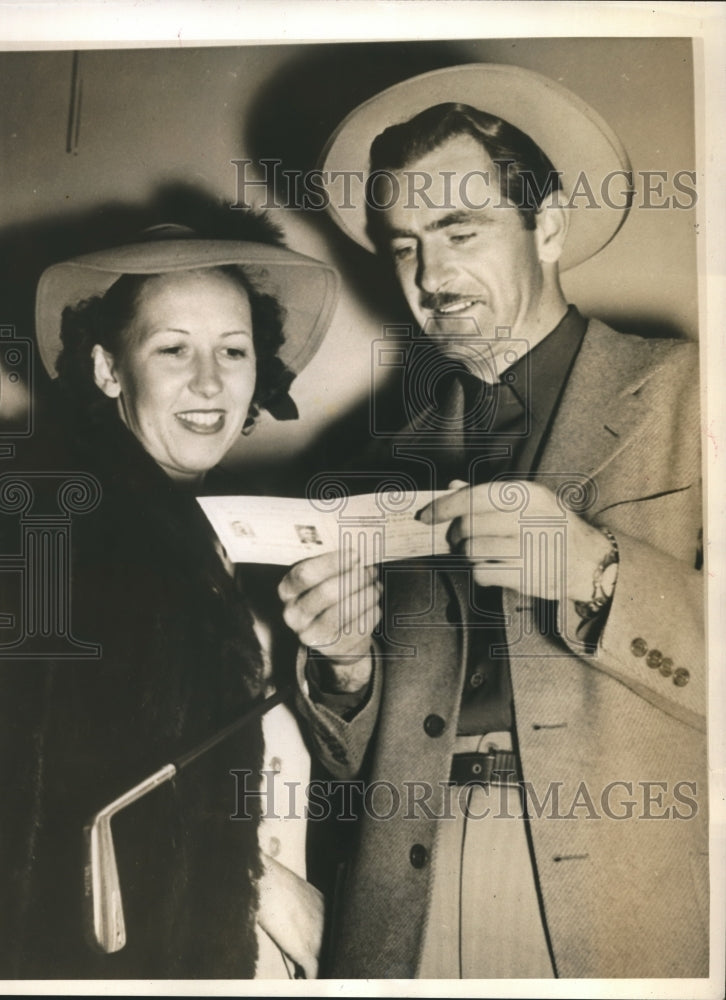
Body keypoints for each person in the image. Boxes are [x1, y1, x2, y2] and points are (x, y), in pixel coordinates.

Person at [278, 64, 707, 978]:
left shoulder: (693, 396)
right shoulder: (373, 464)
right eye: (402, 247)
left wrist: (598, 572)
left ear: (547, 226)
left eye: (458, 230)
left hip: (624, 900)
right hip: (407, 902)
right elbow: (354, 767)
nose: (429, 276)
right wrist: (347, 675)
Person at [0, 207, 338, 979]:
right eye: (173, 348)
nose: (210, 381)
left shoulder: (213, 529)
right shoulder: (65, 521)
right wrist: (265, 890)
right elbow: (46, 791)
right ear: (109, 369)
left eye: (232, 350)